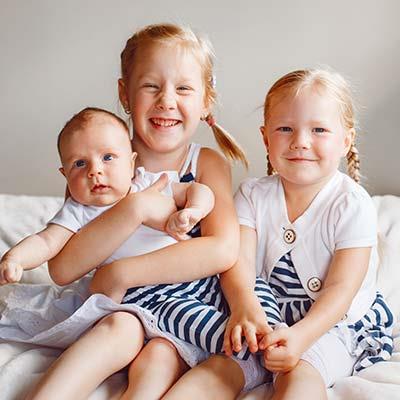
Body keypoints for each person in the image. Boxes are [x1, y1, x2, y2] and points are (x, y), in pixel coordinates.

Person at [0, 23, 261, 400]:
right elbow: (63, 268)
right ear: (125, 93)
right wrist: (134, 209)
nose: (166, 101)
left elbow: (222, 250)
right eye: (151, 86)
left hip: (182, 305)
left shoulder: (205, 163)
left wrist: (122, 272)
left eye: (183, 88)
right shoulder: (99, 164)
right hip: (118, 307)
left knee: (159, 358)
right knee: (120, 330)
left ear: (206, 100)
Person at [220, 68, 394, 400]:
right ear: (265, 138)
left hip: (332, 323)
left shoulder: (351, 204)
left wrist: (301, 338)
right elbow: (238, 262)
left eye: (319, 130)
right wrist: (244, 306)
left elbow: (341, 291)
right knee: (218, 368)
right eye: (285, 128)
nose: (300, 141)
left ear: (346, 141)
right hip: (264, 314)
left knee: (299, 373)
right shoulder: (252, 195)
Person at [0, 107, 214, 289]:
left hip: (180, 279)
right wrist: (16, 259)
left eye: (108, 157)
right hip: (126, 293)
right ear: (65, 175)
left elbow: (196, 190)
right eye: (80, 163)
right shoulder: (78, 210)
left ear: (131, 163)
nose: (94, 171)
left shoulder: (147, 183)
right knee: (116, 322)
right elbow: (45, 241)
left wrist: (195, 210)